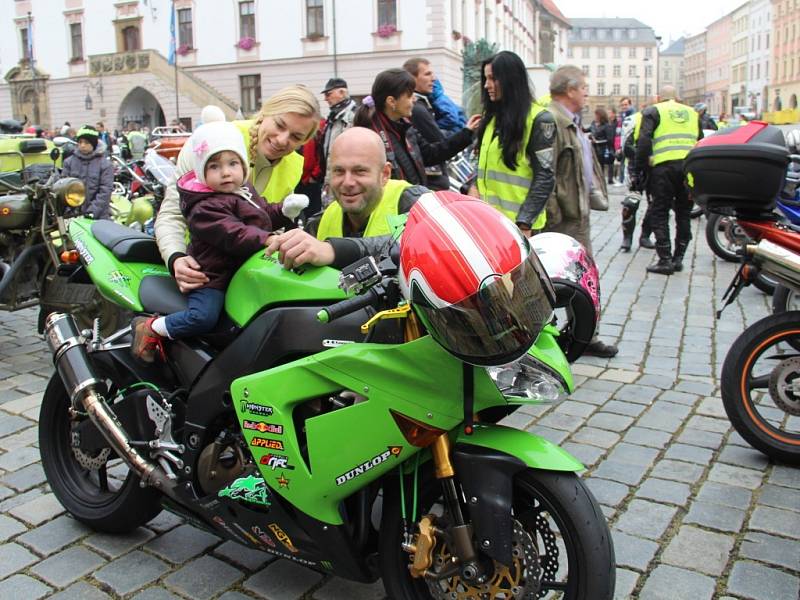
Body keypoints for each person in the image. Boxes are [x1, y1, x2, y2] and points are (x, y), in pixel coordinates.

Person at [131, 121, 308, 362]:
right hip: (212, 277)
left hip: (239, 272)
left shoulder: (241, 190)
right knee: (203, 317)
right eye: (215, 166)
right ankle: (152, 328)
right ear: (203, 172)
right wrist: (266, 239)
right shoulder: (205, 205)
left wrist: (284, 210)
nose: (226, 172)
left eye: (233, 164)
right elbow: (233, 233)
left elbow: (262, 212)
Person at [155, 85, 321, 293]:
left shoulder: (294, 165)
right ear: (265, 112)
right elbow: (172, 214)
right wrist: (176, 258)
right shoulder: (213, 138)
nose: (282, 140)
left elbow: (271, 224)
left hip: (246, 273)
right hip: (199, 268)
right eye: (279, 125)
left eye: (296, 137)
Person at [544, 65, 617, 358]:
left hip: (577, 213)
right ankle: (580, 336)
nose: (587, 92)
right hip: (564, 218)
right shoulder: (554, 121)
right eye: (584, 87)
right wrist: (553, 216)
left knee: (583, 277)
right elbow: (546, 173)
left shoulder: (570, 120)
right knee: (572, 279)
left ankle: (582, 333)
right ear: (570, 90)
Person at [474, 50, 556, 236]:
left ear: (511, 80)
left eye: (493, 78)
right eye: (485, 79)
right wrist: (473, 187)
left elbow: (545, 177)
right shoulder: (490, 120)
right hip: (489, 225)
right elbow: (484, 166)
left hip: (520, 228)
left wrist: (524, 224)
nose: (487, 85)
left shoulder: (539, 119)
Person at [353, 68, 481, 187]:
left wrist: (466, 133)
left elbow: (431, 154)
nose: (414, 99)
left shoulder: (405, 128)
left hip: (409, 204)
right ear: (391, 101)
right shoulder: (369, 137)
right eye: (409, 95)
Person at [307, 127, 427, 239]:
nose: (348, 182)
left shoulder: (415, 202)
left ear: (385, 174)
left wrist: (338, 250)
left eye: (359, 171)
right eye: (339, 171)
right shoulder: (320, 223)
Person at [633, 85, 702, 275]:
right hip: (688, 169)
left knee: (660, 211)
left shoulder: (653, 111)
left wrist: (640, 170)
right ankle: (678, 258)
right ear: (677, 97)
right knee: (684, 213)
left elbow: (644, 141)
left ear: (659, 98)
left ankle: (664, 259)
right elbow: (701, 140)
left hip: (663, 169)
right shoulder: (692, 113)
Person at [403, 57, 454, 191]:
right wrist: (466, 133)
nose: (434, 79)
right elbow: (439, 142)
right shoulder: (417, 109)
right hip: (432, 183)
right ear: (412, 78)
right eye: (427, 74)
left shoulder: (423, 104)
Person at [60, 125, 113, 220]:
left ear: (94, 144)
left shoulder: (104, 164)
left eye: (86, 142)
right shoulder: (69, 162)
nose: (82, 145)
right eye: (80, 142)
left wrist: (91, 212)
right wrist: (70, 211)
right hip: (73, 215)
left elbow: (105, 191)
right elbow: (63, 188)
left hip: (98, 216)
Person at [319, 77, 357, 194]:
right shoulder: (333, 118)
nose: (325, 99)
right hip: (332, 178)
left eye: (329, 94)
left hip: (348, 180)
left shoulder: (355, 116)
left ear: (342, 93)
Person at [590, 108, 615, 185]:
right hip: (594, 149)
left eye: (596, 115)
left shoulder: (607, 126)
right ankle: (596, 181)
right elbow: (587, 130)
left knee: (601, 166)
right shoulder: (593, 124)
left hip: (603, 149)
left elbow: (610, 139)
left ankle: (602, 181)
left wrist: (598, 141)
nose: (595, 116)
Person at [616, 97, 634, 184]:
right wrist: (618, 145)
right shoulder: (622, 116)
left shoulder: (633, 116)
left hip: (630, 144)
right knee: (622, 162)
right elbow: (619, 132)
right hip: (623, 143)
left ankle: (627, 181)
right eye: (622, 105)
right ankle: (622, 180)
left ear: (630, 105)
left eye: (626, 104)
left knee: (628, 163)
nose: (624, 106)